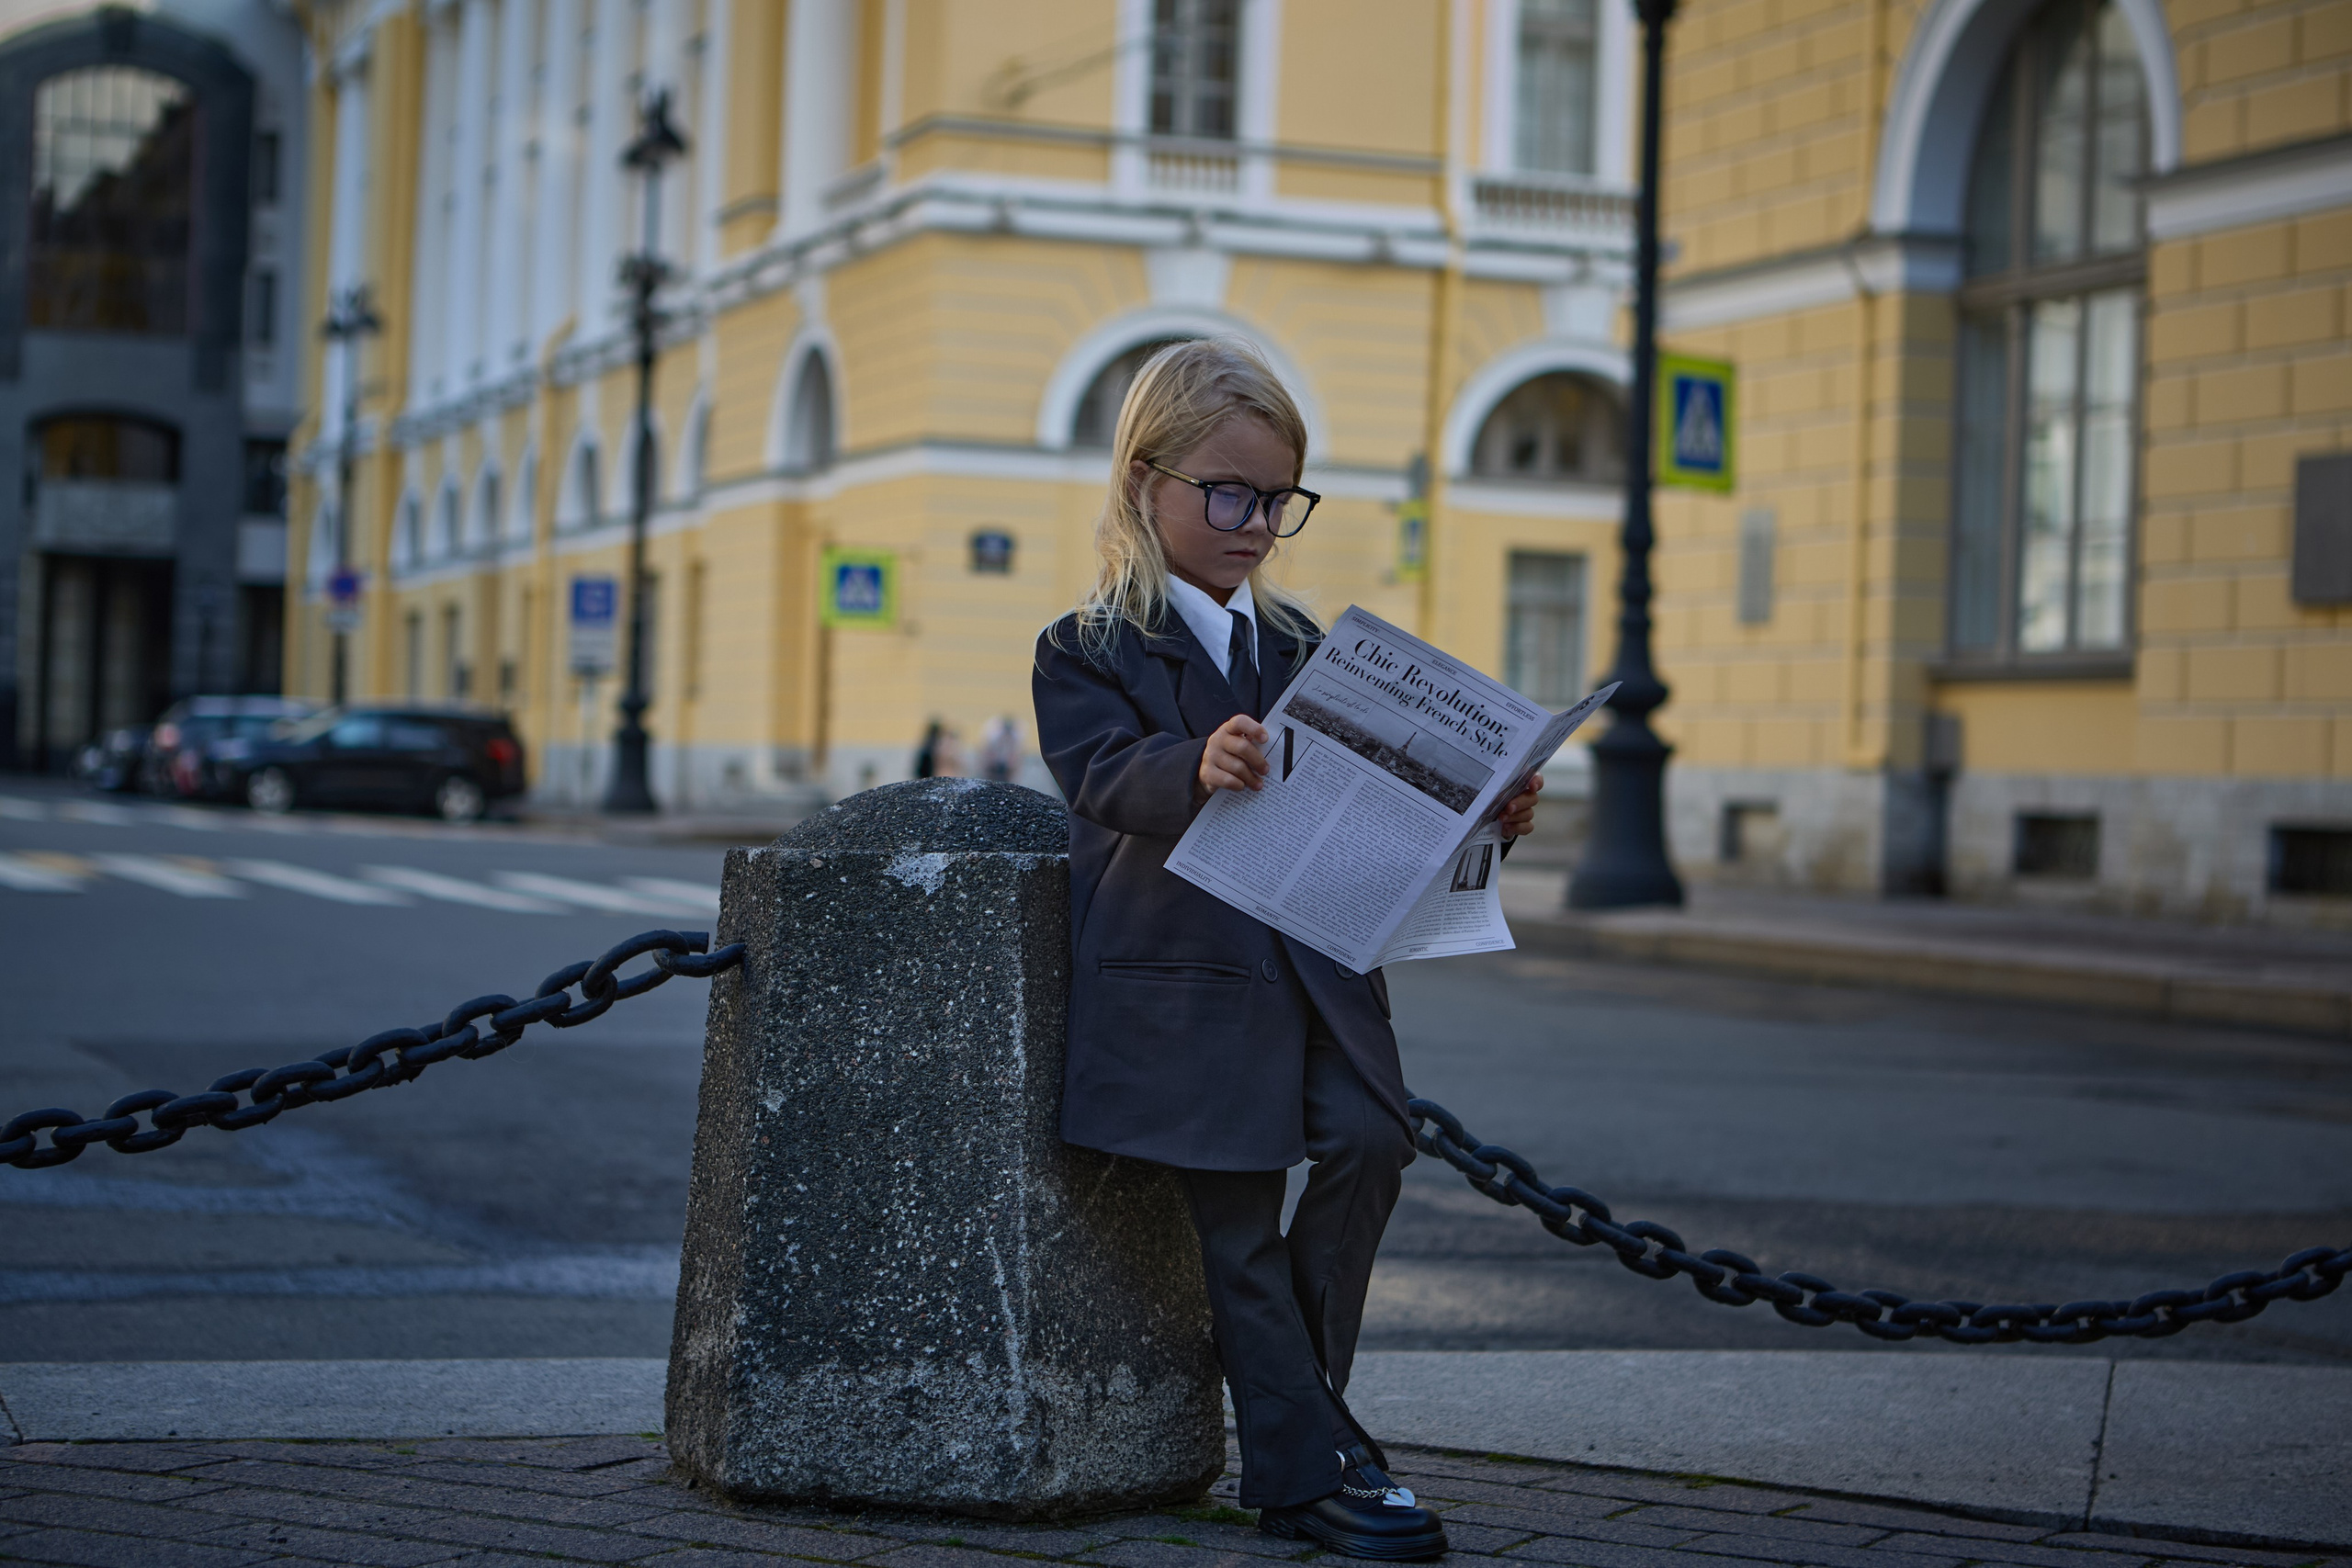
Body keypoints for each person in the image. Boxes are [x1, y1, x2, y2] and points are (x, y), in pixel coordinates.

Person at [1031, 339, 1542, 1562]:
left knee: (1370, 1144)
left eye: (1279, 501)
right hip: (1183, 993)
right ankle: (1312, 1474)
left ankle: (1314, 1435)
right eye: (1230, 493)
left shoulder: (1308, 647)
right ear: (1147, 482)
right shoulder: (1089, 643)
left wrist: (1484, 818)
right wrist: (1191, 767)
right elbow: (1097, 774)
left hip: (1316, 977)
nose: (1258, 523)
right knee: (1240, 1227)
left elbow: (1370, 816)